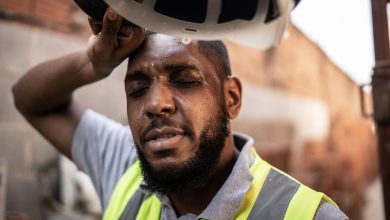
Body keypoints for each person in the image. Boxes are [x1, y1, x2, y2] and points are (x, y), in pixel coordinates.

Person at [12, 7, 348, 220]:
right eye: (137, 88)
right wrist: (93, 63)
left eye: (185, 80)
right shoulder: (124, 168)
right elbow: (28, 98)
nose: (156, 104)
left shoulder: (307, 215)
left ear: (230, 98)